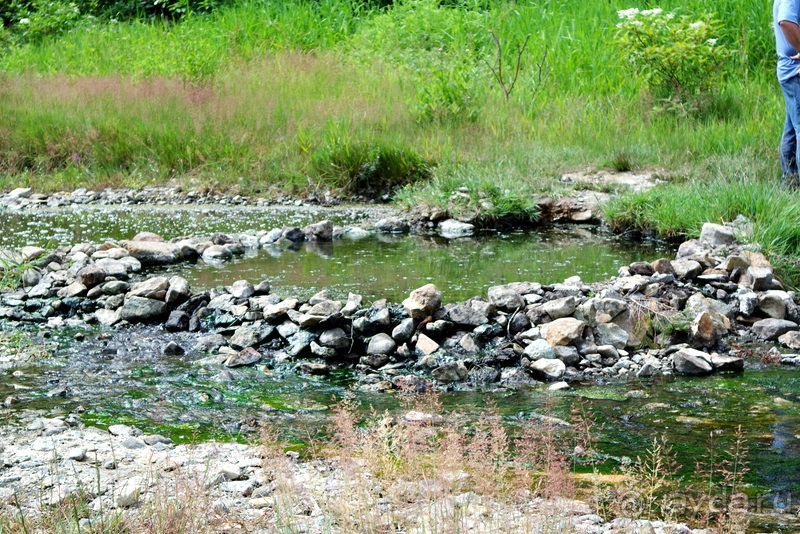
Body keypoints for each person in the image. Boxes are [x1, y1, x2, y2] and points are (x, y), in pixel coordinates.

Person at [775, 0, 800, 187]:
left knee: (791, 127)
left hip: (790, 72)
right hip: (795, 72)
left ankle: (790, 180)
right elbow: (786, 22)